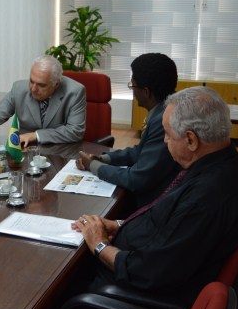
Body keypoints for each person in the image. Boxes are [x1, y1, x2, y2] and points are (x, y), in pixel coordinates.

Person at [71, 86, 238, 309]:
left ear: (191, 140)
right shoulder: (227, 166)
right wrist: (120, 225)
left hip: (134, 296)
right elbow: (170, 221)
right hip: (151, 260)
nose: (164, 141)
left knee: (60, 286)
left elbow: (147, 272)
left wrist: (99, 244)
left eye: (168, 134)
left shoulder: (206, 199)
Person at [76, 53, 181, 208]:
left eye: (132, 85)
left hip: (153, 204)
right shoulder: (163, 110)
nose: (132, 91)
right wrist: (103, 159)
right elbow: (140, 152)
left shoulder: (163, 121)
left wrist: (93, 166)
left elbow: (137, 179)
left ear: (146, 92)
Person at [0, 55, 86, 151]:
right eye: (31, 81)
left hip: (59, 153)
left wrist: (35, 135)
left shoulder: (74, 91)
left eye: (41, 85)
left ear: (56, 84)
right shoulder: (19, 88)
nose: (33, 89)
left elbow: (75, 131)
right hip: (24, 153)